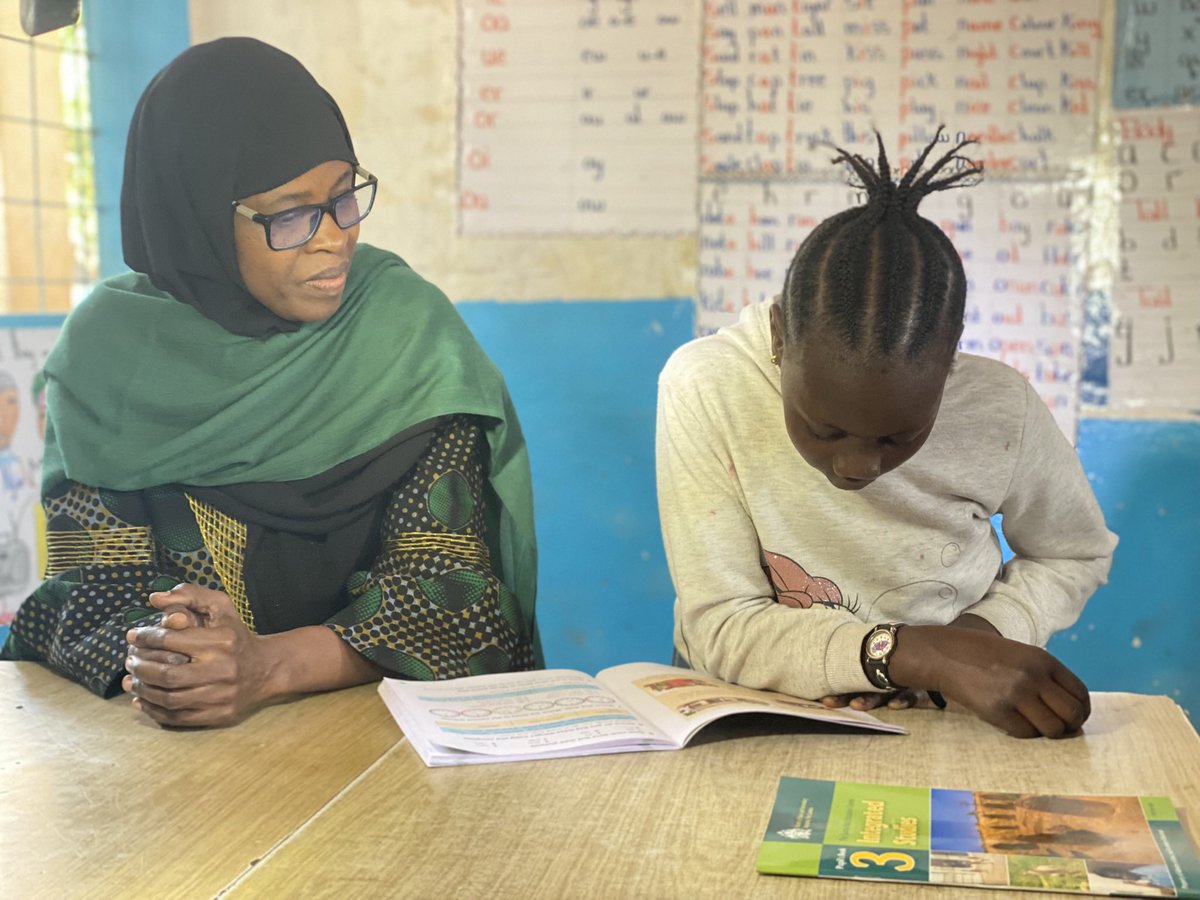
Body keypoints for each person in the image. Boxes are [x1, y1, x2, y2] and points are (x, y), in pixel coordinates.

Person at [1, 37, 541, 726]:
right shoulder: (107, 358)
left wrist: (268, 667)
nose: (334, 238)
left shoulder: (407, 336)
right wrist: (173, 654)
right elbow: (88, 587)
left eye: (346, 198)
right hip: (186, 769)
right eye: (291, 214)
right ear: (194, 217)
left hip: (390, 749)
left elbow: (453, 591)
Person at [656, 129, 1116, 739]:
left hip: (937, 713)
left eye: (899, 438)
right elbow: (720, 625)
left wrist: (978, 640)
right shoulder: (708, 385)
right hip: (750, 711)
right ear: (778, 340)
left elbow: (1074, 551)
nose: (858, 466)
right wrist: (918, 653)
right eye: (826, 429)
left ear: (950, 359)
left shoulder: (1003, 408)